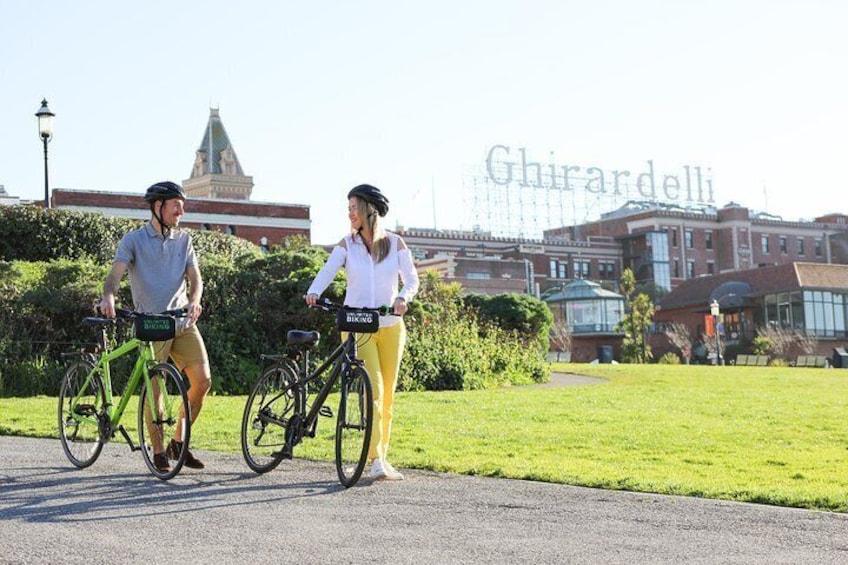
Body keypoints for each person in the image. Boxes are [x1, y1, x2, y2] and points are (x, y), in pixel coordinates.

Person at [305, 184, 419, 481]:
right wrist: (314, 291)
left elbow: (412, 280)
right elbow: (328, 271)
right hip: (357, 327)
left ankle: (382, 455)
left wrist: (403, 298)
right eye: (349, 208)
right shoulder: (347, 244)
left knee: (388, 396)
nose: (350, 213)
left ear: (370, 209)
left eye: (354, 207)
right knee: (375, 391)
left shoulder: (395, 243)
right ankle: (376, 459)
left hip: (391, 327)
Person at [98, 181, 211, 472]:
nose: (181, 211)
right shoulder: (134, 240)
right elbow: (115, 276)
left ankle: (178, 441)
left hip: (182, 321)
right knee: (156, 387)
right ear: (158, 206)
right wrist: (109, 296)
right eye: (176, 205)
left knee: (202, 382)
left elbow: (195, 279)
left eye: (182, 206)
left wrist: (195, 301)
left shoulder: (184, 241)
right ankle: (158, 450)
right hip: (151, 322)